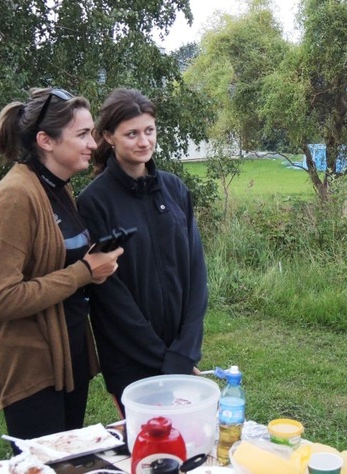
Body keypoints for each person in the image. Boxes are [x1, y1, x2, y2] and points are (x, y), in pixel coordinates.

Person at [0, 87, 124, 448]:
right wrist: (84, 272)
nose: (93, 143)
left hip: (68, 357)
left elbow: (57, 257)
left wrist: (96, 259)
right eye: (81, 135)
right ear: (45, 140)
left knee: (67, 463)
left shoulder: (60, 188)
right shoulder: (15, 196)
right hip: (33, 371)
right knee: (42, 465)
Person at [77, 88, 208, 413]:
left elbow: (196, 270)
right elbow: (111, 297)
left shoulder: (175, 188)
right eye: (131, 133)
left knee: (187, 448)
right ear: (108, 136)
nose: (143, 141)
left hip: (181, 351)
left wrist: (184, 350)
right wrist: (162, 360)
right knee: (146, 451)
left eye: (149, 131)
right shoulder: (95, 202)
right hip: (130, 359)